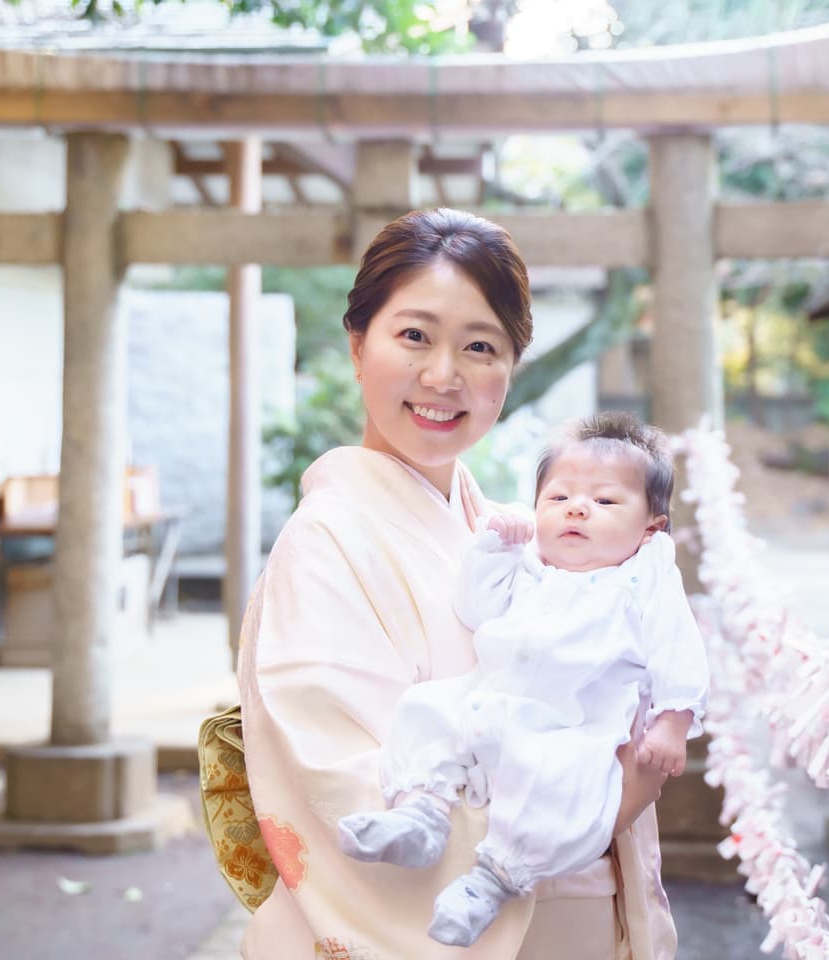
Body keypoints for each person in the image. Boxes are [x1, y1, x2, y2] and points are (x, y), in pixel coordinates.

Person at [236, 209, 678, 959]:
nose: (444, 377)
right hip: (477, 920)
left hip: (570, 918)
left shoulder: (507, 532)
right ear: (357, 344)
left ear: (511, 367)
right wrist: (620, 795)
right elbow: (344, 789)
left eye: (480, 346)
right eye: (413, 336)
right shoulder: (326, 542)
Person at [337, 413, 708, 947]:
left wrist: (673, 721)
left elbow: (678, 647)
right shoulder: (532, 562)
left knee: (560, 789)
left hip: (572, 724)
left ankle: (493, 880)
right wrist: (495, 550)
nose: (577, 508)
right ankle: (421, 811)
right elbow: (476, 608)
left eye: (604, 502)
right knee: (427, 709)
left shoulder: (643, 575)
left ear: (652, 526)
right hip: (488, 697)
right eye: (559, 498)